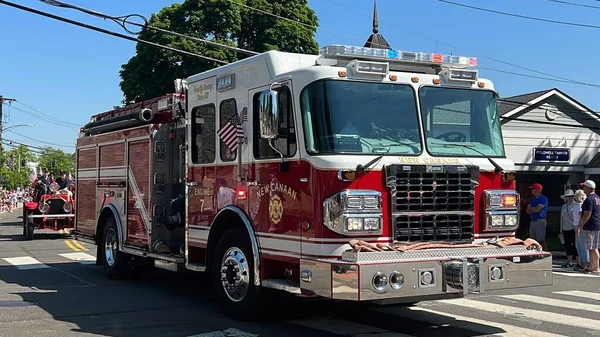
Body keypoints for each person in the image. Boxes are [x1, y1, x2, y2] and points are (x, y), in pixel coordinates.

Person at [576, 180, 600, 274]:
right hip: (596, 224)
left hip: (590, 225)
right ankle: (593, 266)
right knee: (593, 247)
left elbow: (587, 215)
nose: (583, 188)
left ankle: (595, 267)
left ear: (588, 188)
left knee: (592, 247)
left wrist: (579, 226)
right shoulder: (597, 197)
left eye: (584, 187)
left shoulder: (589, 199)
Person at [560, 189, 580, 268]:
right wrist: (560, 230)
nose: (569, 198)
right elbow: (561, 218)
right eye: (568, 196)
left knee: (575, 245)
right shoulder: (564, 206)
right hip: (565, 227)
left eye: (571, 196)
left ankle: (579, 262)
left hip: (573, 227)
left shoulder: (576, 205)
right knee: (567, 245)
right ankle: (569, 261)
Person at [526, 183, 548, 251]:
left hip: (540, 221)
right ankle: (535, 253)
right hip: (533, 221)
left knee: (541, 240)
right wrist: (534, 209)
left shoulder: (543, 199)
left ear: (538, 190)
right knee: (532, 240)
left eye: (533, 189)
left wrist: (532, 209)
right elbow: (527, 210)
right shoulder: (533, 199)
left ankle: (545, 253)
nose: (531, 190)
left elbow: (537, 209)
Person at [573, 189, 589, 271]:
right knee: (578, 245)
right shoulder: (577, 205)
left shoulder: (580, 206)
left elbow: (581, 217)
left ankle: (585, 264)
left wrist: (579, 227)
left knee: (582, 245)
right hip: (576, 225)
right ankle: (582, 263)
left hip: (579, 226)